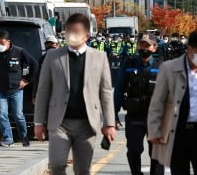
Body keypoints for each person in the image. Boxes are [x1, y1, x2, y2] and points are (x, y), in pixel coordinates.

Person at [34, 13, 116, 175]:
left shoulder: (99, 57)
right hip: (59, 123)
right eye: (68, 31)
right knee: (56, 165)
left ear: (86, 35)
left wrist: (109, 123)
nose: (71, 35)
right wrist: (38, 122)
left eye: (76, 32)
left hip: (87, 123)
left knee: (83, 170)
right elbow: (43, 90)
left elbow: (105, 92)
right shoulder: (53, 56)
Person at [114, 35, 164, 175]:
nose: (144, 48)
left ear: (154, 48)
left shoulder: (162, 66)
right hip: (135, 116)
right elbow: (119, 89)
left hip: (156, 118)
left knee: (156, 151)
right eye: (141, 45)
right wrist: (114, 114)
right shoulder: (128, 64)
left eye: (147, 45)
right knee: (134, 149)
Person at [148, 30, 197, 175]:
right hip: (178, 132)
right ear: (189, 49)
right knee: (179, 171)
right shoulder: (169, 68)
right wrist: (154, 130)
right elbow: (157, 102)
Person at [0, 30, 38, 147]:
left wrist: (26, 80)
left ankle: (24, 137)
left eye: (2, 43)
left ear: (8, 42)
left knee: (18, 115)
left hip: (16, 90)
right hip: (1, 90)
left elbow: (34, 64)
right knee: (2, 114)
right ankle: (7, 138)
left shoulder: (19, 52)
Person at [33, 35, 60, 104]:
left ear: (57, 45)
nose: (49, 46)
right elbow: (37, 77)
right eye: (47, 44)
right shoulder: (42, 59)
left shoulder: (63, 58)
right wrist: (35, 94)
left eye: (52, 44)